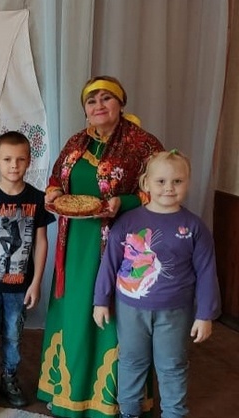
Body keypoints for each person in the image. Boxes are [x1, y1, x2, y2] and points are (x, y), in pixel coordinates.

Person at [38, 75, 164, 418]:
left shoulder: (143, 144)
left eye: (106, 98)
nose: (98, 106)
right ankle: (69, 392)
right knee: (76, 309)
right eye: (91, 101)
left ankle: (113, 399)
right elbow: (56, 179)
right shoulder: (76, 142)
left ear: (120, 103)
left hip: (122, 243)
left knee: (113, 313)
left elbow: (159, 188)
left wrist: (123, 202)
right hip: (76, 242)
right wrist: (54, 193)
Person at [93, 150, 220, 418]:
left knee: (172, 366)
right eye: (161, 181)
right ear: (146, 183)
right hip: (130, 309)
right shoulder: (128, 222)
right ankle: (129, 413)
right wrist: (101, 300)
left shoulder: (194, 227)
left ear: (188, 182)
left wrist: (205, 315)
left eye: (177, 181)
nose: (169, 188)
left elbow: (207, 272)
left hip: (175, 312)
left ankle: (174, 413)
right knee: (131, 362)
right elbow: (110, 263)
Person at [0, 131, 55, 413]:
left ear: (29, 161)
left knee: (14, 335)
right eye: (7, 159)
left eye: (20, 159)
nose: (14, 165)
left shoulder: (37, 199)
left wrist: (36, 282)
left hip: (20, 286)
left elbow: (41, 243)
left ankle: (9, 378)